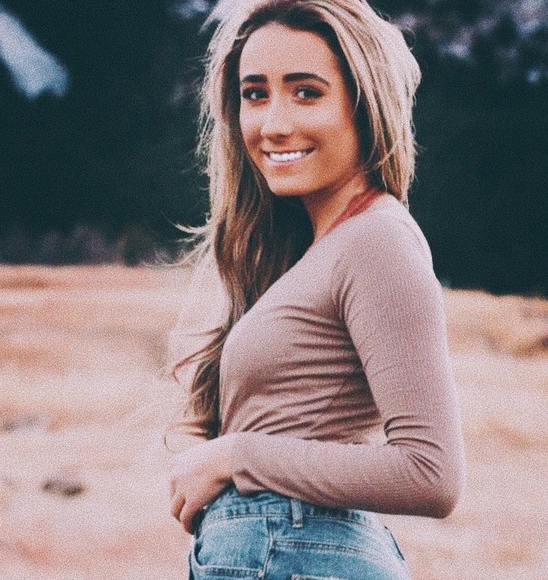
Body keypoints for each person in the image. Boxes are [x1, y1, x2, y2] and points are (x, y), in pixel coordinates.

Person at [167, 0, 466, 578]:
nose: (274, 124)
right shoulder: (318, 248)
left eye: (307, 92)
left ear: (365, 104)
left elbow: (432, 474)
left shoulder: (377, 239)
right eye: (255, 94)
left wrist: (236, 455)